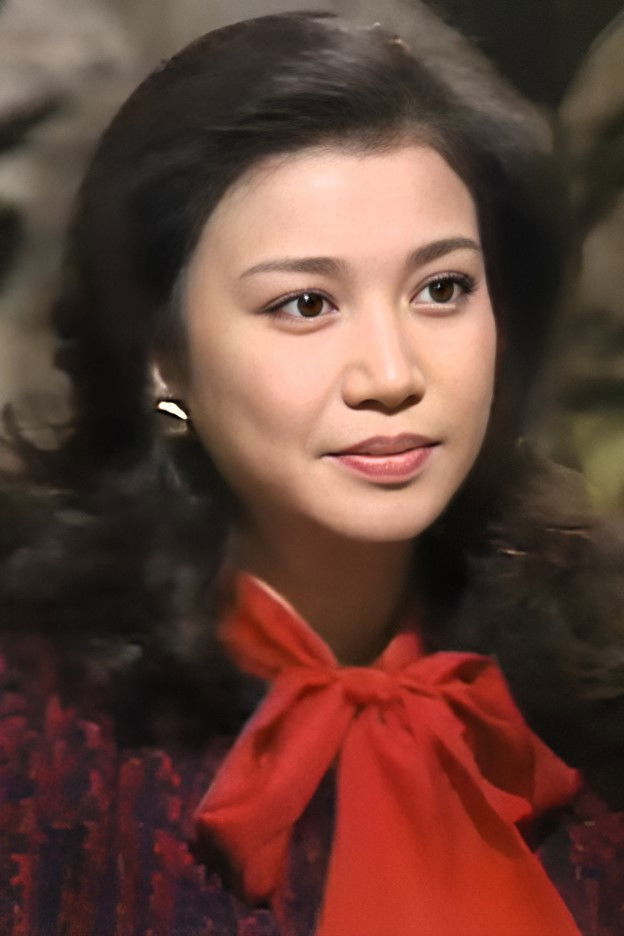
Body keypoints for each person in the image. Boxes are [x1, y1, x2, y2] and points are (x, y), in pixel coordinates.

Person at [1, 9, 623, 936]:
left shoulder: (592, 694)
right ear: (162, 354)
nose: (392, 374)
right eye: (304, 304)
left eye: (442, 289)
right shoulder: (38, 743)